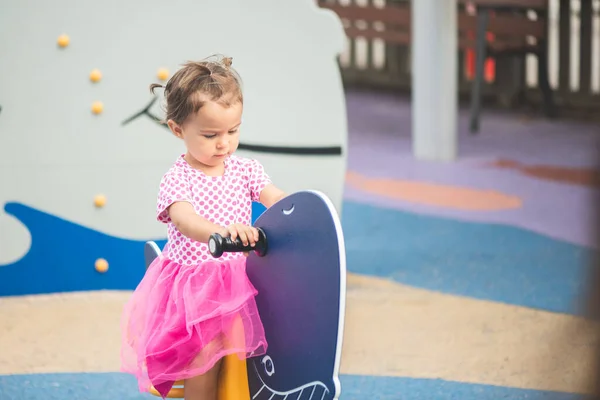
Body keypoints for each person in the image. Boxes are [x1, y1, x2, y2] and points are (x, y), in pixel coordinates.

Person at [120, 55, 287, 400]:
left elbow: (277, 198)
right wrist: (220, 232)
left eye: (233, 131)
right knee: (204, 360)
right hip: (198, 287)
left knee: (248, 358)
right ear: (178, 129)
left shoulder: (246, 169)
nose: (224, 143)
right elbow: (185, 219)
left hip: (241, 279)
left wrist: (297, 211)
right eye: (210, 134)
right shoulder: (178, 178)